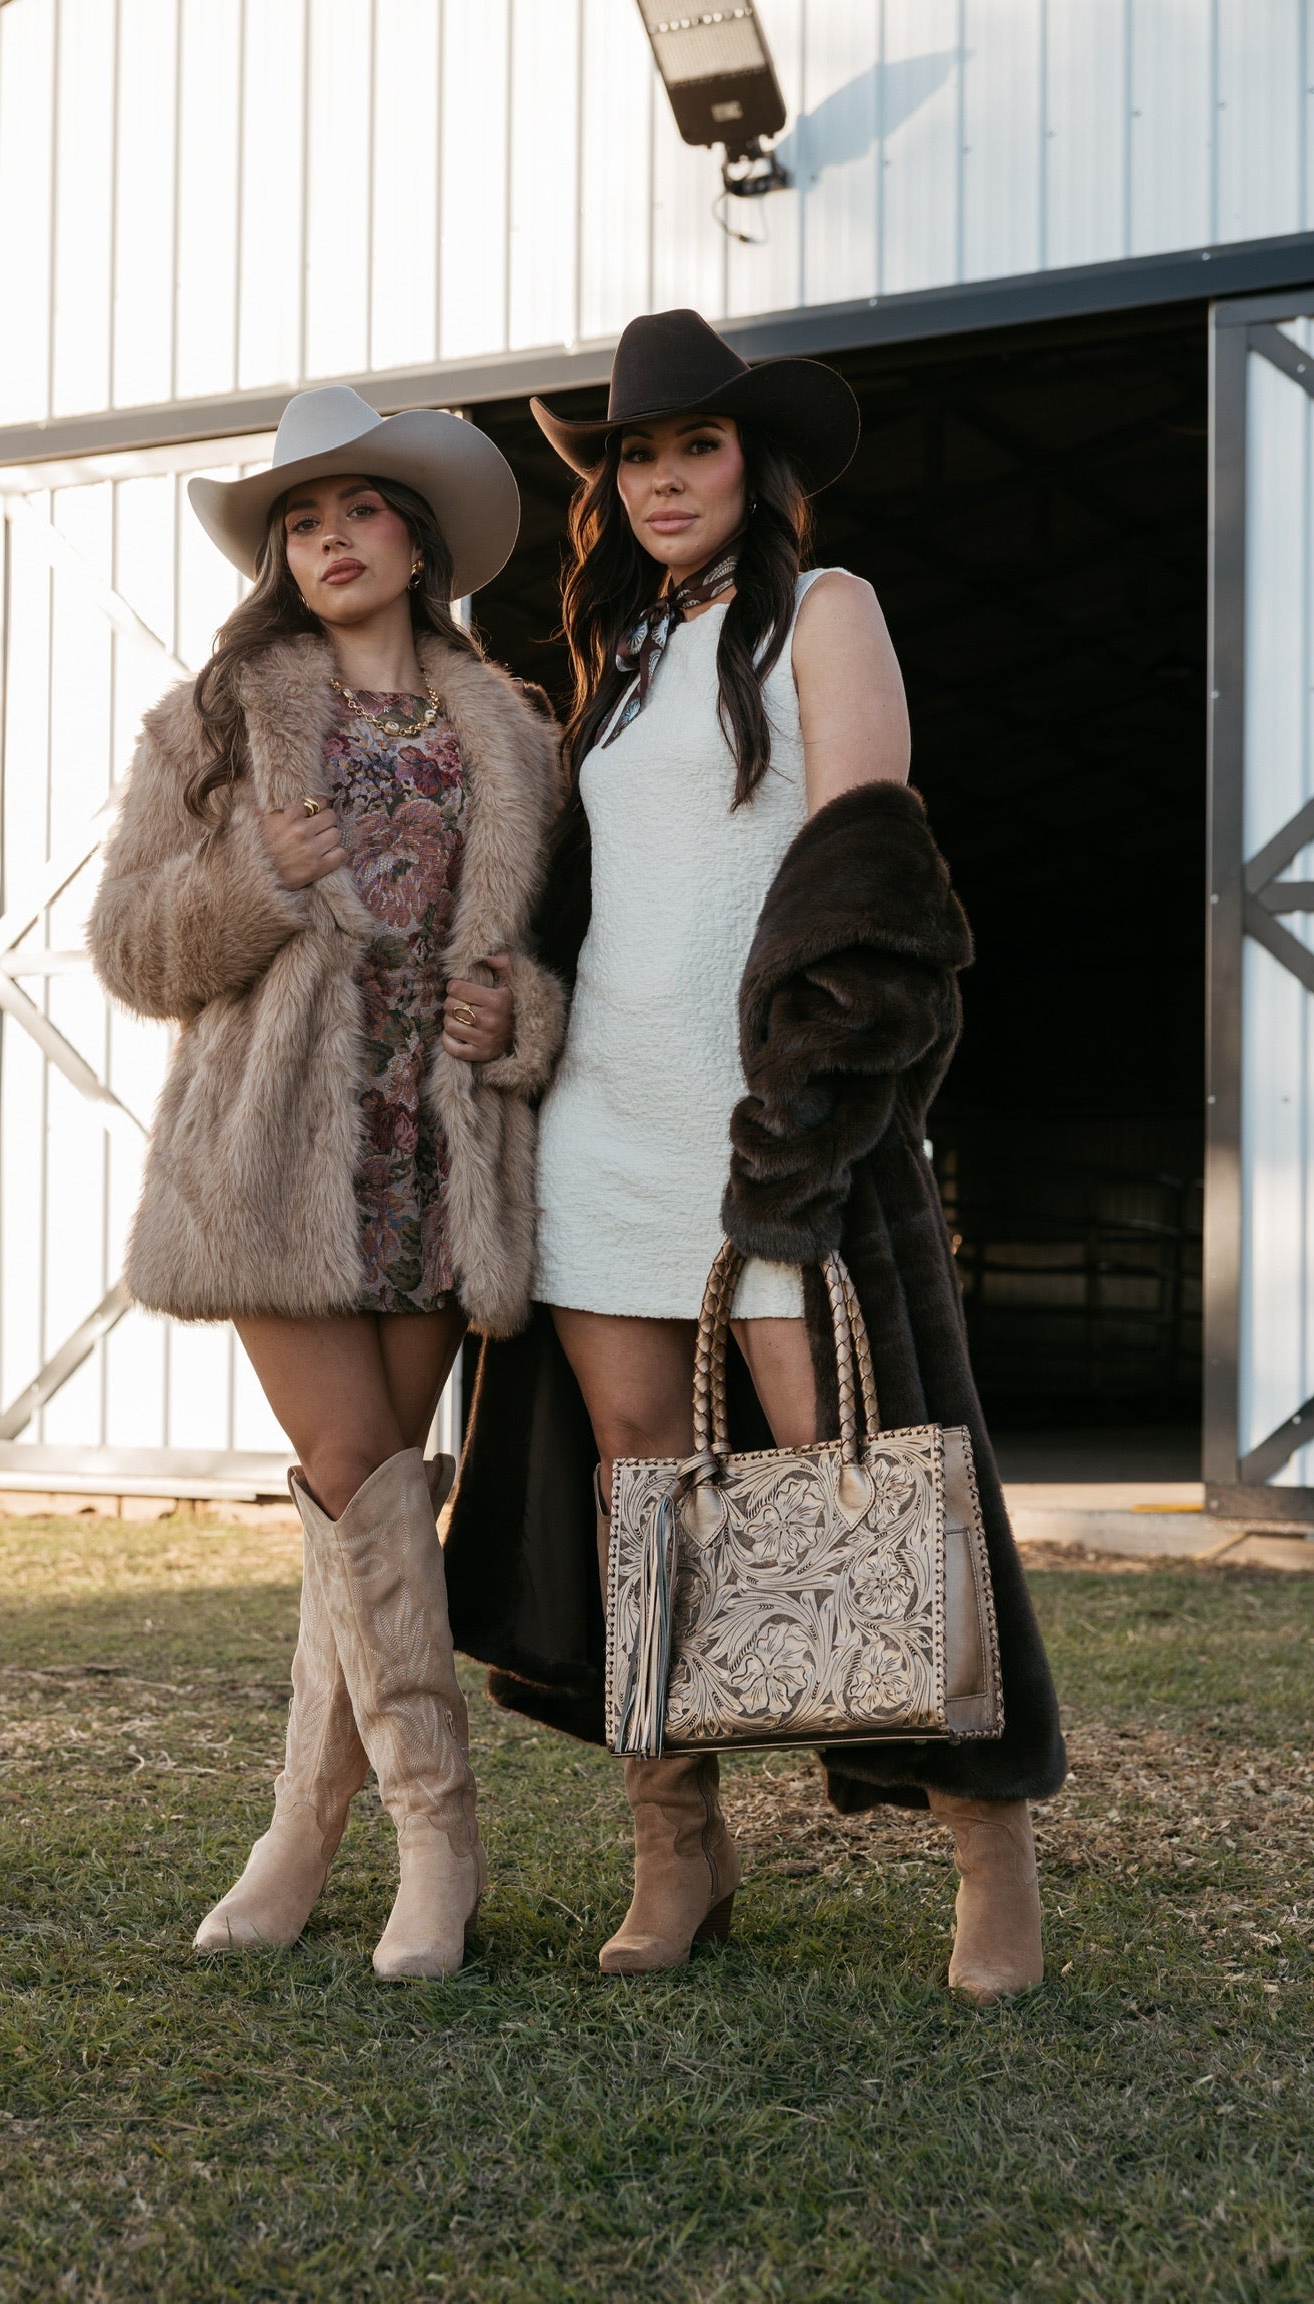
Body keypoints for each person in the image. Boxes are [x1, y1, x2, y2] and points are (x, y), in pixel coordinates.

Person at [444, 309, 1066, 2000]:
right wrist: (515, 1008)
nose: (664, 479)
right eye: (638, 456)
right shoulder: (629, 654)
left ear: (755, 463)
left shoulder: (827, 608)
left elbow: (871, 867)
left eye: (695, 447)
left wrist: (817, 1112)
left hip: (773, 1131)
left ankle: (987, 1853)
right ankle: (679, 1851)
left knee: (861, 1472)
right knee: (641, 1490)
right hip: (606, 1131)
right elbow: (598, 905)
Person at [87, 386, 564, 1980]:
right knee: (357, 1465)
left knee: (368, 1512)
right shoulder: (212, 721)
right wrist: (254, 877)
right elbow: (131, 951)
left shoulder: (516, 734)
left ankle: (302, 1826)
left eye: (359, 510)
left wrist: (520, 1015)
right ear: (282, 558)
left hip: (437, 1158)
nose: (331, 539)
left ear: (417, 543)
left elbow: (557, 953)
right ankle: (440, 1834)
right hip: (273, 1158)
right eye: (302, 521)